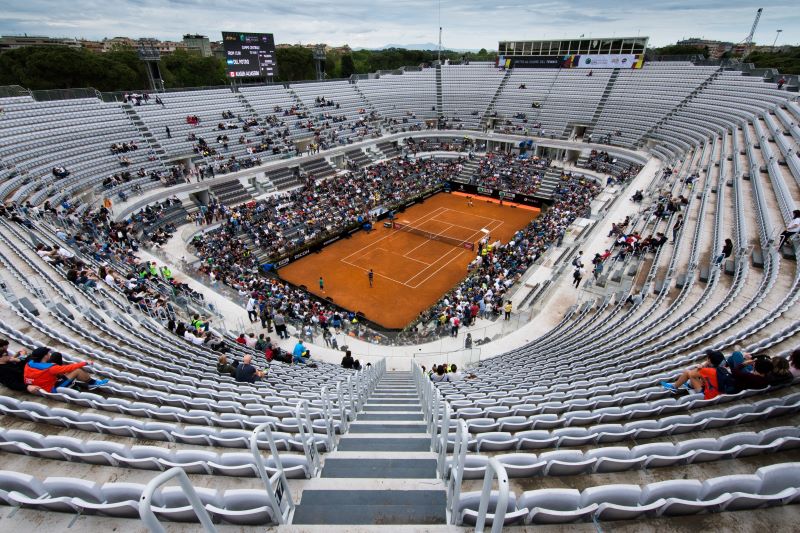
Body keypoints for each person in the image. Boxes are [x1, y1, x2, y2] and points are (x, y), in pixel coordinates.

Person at [24, 347, 108, 392]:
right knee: (77, 370)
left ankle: (88, 381)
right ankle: (92, 383)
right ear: (45, 356)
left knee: (70, 369)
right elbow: (67, 368)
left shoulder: (29, 363)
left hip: (40, 386)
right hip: (52, 388)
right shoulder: (50, 368)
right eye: (48, 353)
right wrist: (85, 363)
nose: (49, 354)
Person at [660, 349, 730, 400]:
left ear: (709, 360)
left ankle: (674, 387)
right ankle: (687, 385)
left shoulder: (708, 371)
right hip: (717, 393)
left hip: (707, 394)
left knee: (688, 372)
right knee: (695, 375)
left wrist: (702, 366)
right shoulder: (722, 369)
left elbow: (692, 374)